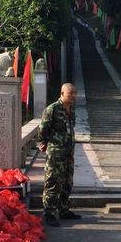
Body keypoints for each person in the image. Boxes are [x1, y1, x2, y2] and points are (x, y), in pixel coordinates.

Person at [37, 83, 80, 227]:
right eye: (70, 93)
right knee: (53, 182)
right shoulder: (52, 109)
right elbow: (43, 130)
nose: (73, 96)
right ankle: (49, 213)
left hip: (69, 153)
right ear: (62, 93)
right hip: (56, 153)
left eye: (75, 93)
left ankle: (63, 209)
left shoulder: (71, 109)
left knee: (67, 182)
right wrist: (45, 142)